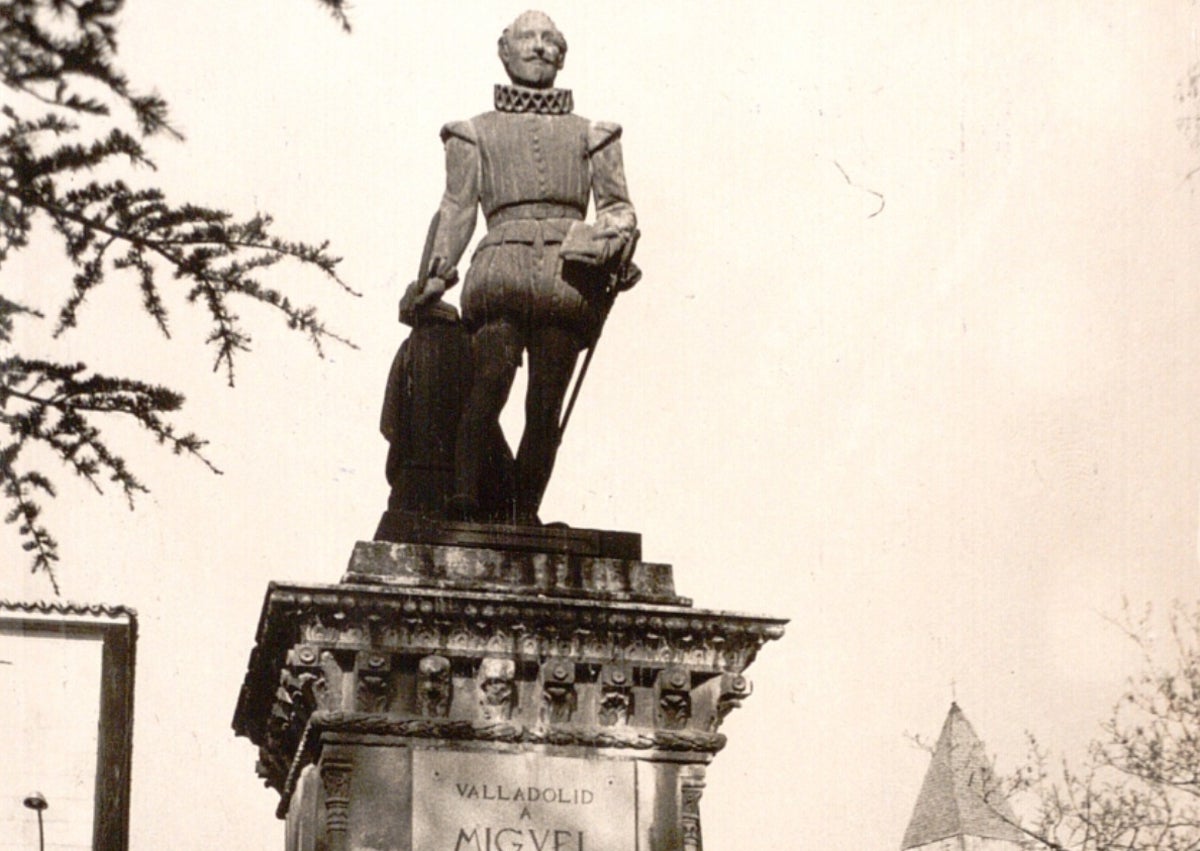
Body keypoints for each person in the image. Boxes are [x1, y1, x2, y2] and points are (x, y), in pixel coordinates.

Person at [402, 10, 637, 524]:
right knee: (489, 379)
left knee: (545, 404)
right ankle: (464, 495)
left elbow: (618, 206)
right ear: (504, 51)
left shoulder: (595, 135)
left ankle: (522, 511)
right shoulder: (472, 133)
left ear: (562, 53)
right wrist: (436, 275)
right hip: (501, 269)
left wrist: (616, 239)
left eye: (548, 39)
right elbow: (458, 207)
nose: (537, 47)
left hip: (568, 273)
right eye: (526, 38)